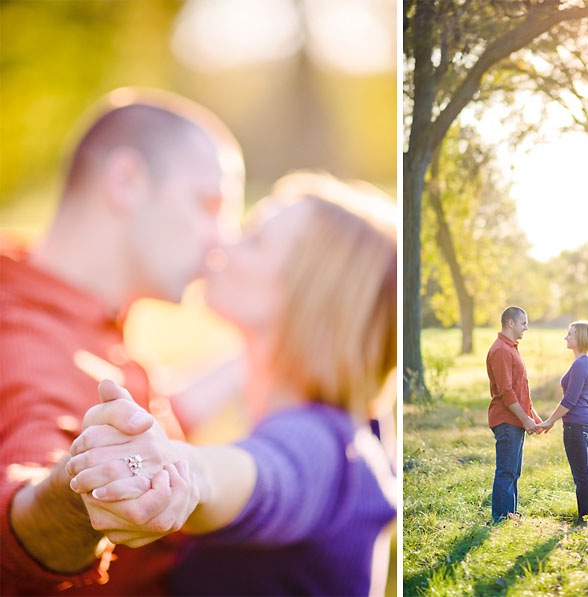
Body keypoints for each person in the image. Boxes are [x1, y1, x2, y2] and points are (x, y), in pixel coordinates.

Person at [66, 173, 398, 596]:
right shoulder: (351, 429)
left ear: (309, 296)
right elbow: (182, 405)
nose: (221, 245)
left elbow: (268, 476)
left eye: (254, 238)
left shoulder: (323, 447)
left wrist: (181, 474)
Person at [0, 87, 245, 595]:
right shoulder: (24, 346)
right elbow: (23, 491)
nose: (223, 239)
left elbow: (125, 416)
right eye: (209, 203)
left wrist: (257, 358)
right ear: (127, 181)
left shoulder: (64, 302)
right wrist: (78, 498)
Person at [538, 320, 588, 521]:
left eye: (570, 334)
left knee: (581, 475)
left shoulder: (581, 364)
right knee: (583, 474)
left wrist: (550, 421)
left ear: (580, 337)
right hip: (580, 424)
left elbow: (570, 400)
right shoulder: (582, 362)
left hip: (577, 425)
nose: (566, 337)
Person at [486, 306, 543, 523]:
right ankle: (502, 518)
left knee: (514, 471)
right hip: (506, 420)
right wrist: (524, 418)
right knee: (506, 471)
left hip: (516, 420)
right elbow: (506, 392)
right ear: (510, 323)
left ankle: (511, 514)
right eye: (523, 323)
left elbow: (520, 389)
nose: (526, 328)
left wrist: (533, 417)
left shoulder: (511, 348)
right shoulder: (501, 350)